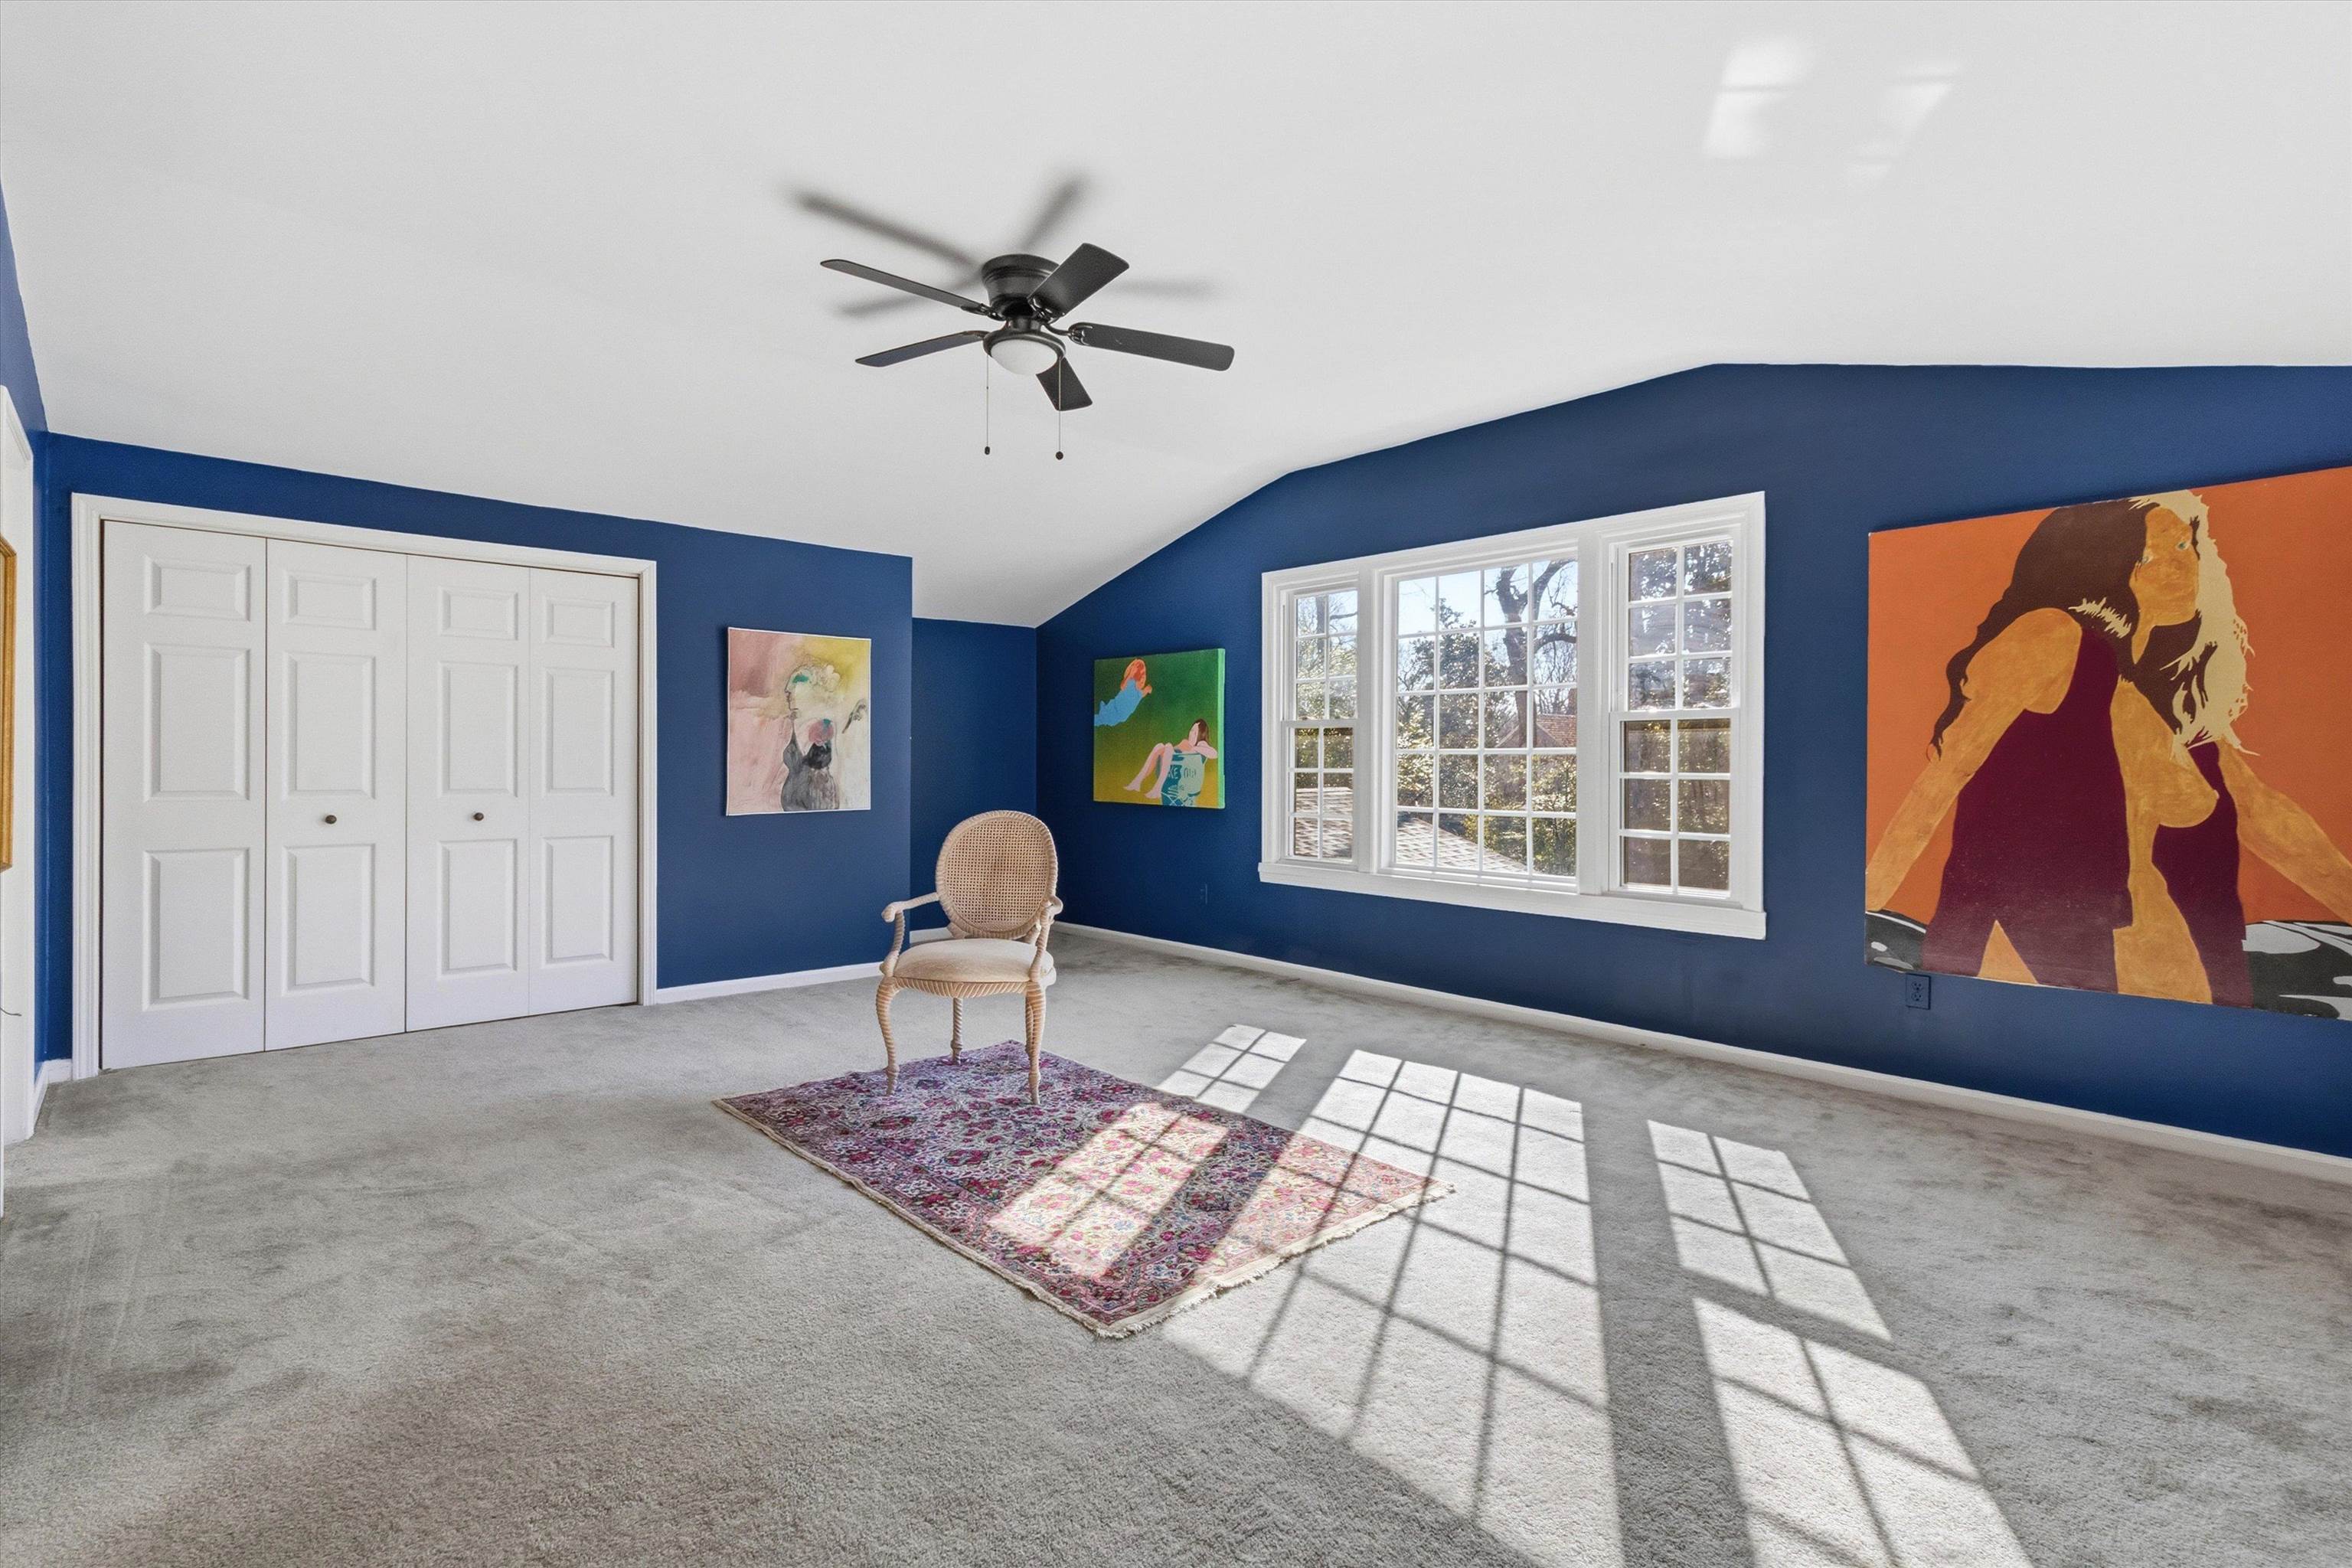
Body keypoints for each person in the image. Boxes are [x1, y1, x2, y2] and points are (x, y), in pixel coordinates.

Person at [1867, 492, 2352, 1004]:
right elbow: (1945, 777)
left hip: (2129, 918)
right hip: (2021, 926)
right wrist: (1868, 902)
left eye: (2184, 546)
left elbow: (2257, 809)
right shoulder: (2052, 636)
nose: (2176, 567)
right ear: (2100, 566)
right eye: (2147, 557)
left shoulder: (2165, 685)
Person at [1127, 718, 1218, 807]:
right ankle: (1138, 781)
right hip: (1172, 764)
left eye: (1195, 733)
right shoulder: (1186, 742)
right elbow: (1175, 751)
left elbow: (1214, 754)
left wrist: (1193, 748)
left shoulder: (1200, 744)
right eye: (1191, 731)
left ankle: (1158, 786)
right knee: (1161, 746)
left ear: (1201, 735)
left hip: (1183, 778)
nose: (1191, 734)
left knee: (1168, 746)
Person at [1095, 658, 1152, 727]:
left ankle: (1103, 712)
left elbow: (1142, 694)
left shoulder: (1138, 693)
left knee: (1106, 720)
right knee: (1102, 719)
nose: (1143, 681)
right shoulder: (1131, 683)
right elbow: (1122, 686)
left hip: (1120, 716)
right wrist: (1130, 674)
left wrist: (1147, 689)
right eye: (1142, 677)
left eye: (1144, 677)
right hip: (1115, 710)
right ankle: (1102, 712)